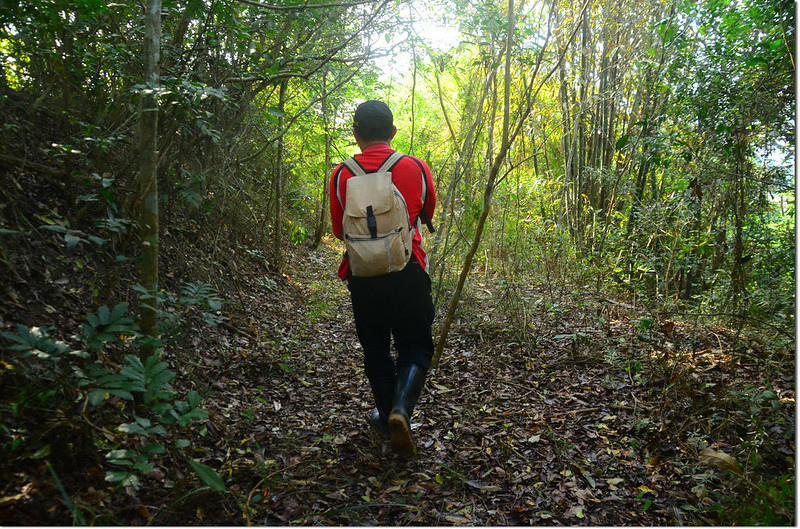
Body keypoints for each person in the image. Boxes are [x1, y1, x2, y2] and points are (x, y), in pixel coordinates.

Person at [329, 100, 436, 457]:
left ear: (356, 134)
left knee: (376, 350)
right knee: (415, 346)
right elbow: (428, 212)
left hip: (363, 277)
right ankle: (401, 412)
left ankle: (387, 417)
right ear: (392, 132)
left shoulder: (341, 174)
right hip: (408, 271)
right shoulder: (416, 166)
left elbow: (337, 229)